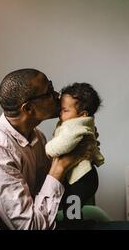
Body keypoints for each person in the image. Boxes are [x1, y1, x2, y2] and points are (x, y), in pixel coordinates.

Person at [0, 69, 95, 229]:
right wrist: (60, 166)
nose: (57, 94)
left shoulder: (36, 136)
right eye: (49, 92)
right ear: (28, 109)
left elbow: (49, 190)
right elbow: (30, 226)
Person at [46, 83, 105, 221]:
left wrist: (47, 148)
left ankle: (73, 225)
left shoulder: (76, 127)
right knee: (71, 203)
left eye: (65, 111)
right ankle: (74, 222)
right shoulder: (78, 122)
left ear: (82, 114)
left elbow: (63, 145)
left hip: (82, 179)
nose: (60, 113)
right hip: (80, 177)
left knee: (72, 202)